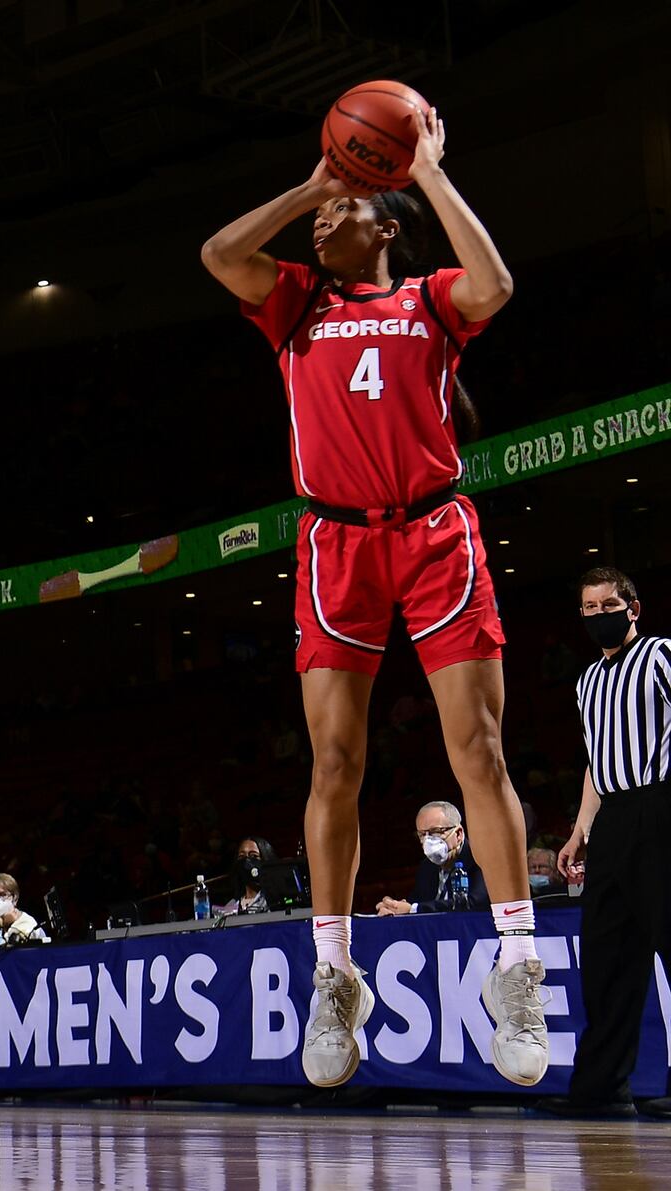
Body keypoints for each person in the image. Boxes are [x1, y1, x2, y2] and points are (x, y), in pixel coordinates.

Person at [201, 103, 546, 1089]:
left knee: (475, 751)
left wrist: (425, 169)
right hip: (335, 543)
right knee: (334, 766)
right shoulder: (296, 303)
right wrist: (318, 181)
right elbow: (219, 251)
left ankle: (515, 970)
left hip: (434, 532)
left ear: (386, 223)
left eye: (343, 207)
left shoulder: (433, 300)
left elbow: (497, 282)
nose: (320, 224)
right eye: (319, 214)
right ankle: (333, 976)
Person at [538, 568, 671, 1119]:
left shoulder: (663, 654)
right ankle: (601, 1090)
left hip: (662, 806)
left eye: (608, 604)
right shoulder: (586, 681)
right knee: (607, 958)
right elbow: (598, 761)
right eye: (588, 608)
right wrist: (578, 832)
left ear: (633, 608)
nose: (598, 615)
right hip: (613, 818)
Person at [376, 801, 489, 915]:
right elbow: (418, 902)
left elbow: (476, 903)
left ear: (458, 834)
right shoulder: (426, 867)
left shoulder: (480, 860)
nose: (427, 841)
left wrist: (414, 909)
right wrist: (395, 907)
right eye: (421, 834)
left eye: (435, 832)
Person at [219, 837, 277, 916]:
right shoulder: (231, 906)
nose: (246, 861)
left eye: (253, 856)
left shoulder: (274, 903)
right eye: (242, 857)